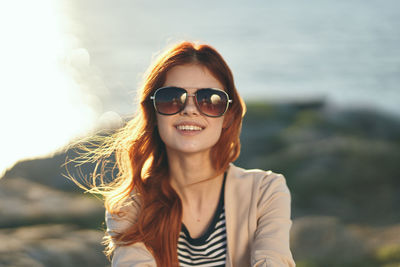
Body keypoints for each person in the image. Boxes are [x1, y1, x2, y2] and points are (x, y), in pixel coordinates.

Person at [80, 41, 295, 267]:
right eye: (172, 98)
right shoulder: (130, 207)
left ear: (228, 116)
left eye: (209, 100)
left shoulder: (266, 191)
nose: (190, 109)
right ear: (153, 113)